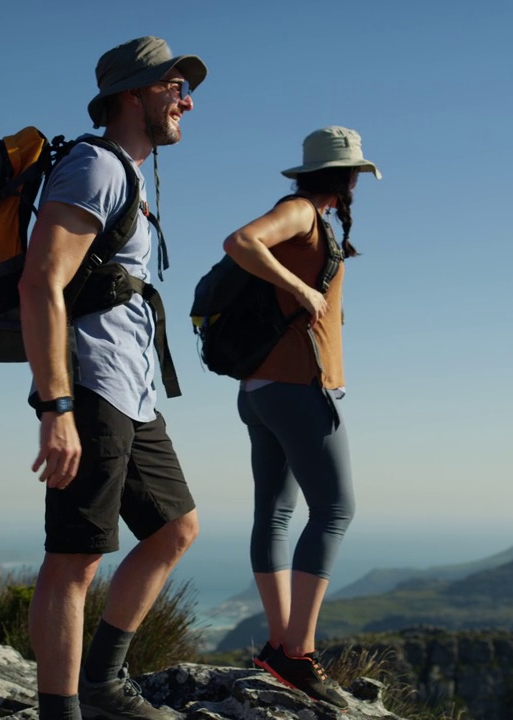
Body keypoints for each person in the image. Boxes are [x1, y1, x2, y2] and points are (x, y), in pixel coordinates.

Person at [17, 36, 206, 720]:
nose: (186, 99)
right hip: (90, 386)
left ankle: (100, 684)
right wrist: (56, 405)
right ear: (134, 94)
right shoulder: (94, 167)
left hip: (132, 391)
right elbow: (41, 283)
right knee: (75, 559)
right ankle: (61, 709)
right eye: (173, 87)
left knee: (174, 529)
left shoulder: (125, 171)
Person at [221, 126, 380, 708]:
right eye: (356, 174)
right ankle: (297, 651)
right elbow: (239, 241)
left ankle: (278, 647)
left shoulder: (309, 218)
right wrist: (302, 289)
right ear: (344, 176)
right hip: (296, 389)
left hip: (261, 389)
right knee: (336, 509)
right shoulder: (299, 213)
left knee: (278, 512)